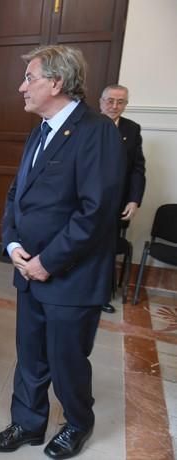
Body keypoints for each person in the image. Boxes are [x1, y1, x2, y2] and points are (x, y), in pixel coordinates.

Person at [0, 45, 124, 459]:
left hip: (70, 276)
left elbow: (96, 212)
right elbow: (17, 194)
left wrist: (47, 261)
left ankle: (78, 423)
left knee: (67, 362)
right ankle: (28, 424)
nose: (21, 87)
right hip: (27, 270)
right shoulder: (41, 128)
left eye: (30, 78)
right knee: (30, 356)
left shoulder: (96, 130)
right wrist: (12, 244)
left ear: (57, 82)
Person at [99, 84, 146, 313]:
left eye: (121, 102)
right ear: (101, 102)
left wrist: (134, 200)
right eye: (110, 101)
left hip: (115, 204)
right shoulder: (86, 125)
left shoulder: (132, 129)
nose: (114, 106)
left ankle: (101, 296)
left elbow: (137, 169)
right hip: (83, 202)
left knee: (107, 249)